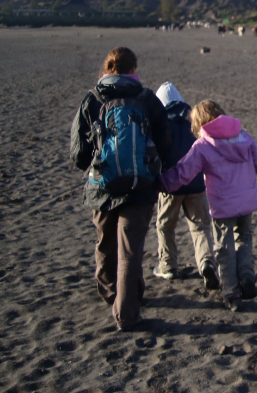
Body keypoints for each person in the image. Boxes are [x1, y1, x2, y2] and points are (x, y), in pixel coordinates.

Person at [70, 47, 170, 332]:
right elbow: (164, 140)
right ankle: (128, 311)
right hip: (140, 188)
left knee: (104, 243)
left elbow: (78, 154)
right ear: (133, 69)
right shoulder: (146, 98)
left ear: (107, 67)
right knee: (130, 251)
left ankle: (111, 295)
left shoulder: (92, 98)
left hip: (102, 187)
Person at [160, 100, 257, 311]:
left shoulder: (203, 145)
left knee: (223, 245)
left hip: (223, 204)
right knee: (244, 237)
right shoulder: (243, 135)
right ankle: (246, 275)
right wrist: (246, 175)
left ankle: (231, 290)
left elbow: (184, 172)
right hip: (246, 199)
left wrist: (161, 183)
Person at [151, 83, 219, 292]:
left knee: (165, 226)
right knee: (200, 227)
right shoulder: (194, 120)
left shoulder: (161, 123)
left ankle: (168, 265)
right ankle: (206, 262)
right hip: (197, 184)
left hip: (170, 184)